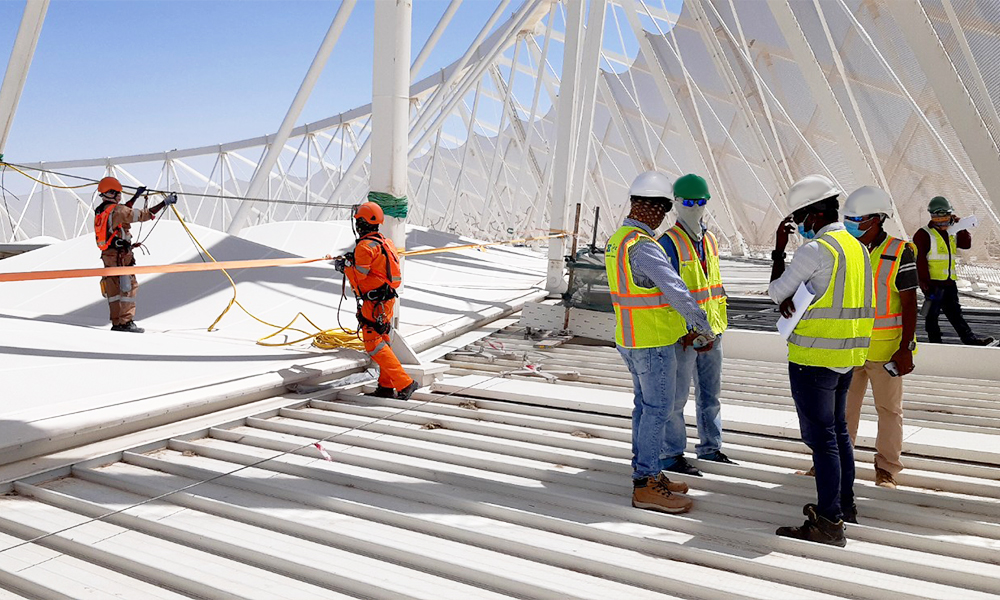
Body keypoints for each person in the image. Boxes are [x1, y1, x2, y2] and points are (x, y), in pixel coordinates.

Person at [768, 174, 874, 547]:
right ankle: (845, 506)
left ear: (814, 214)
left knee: (822, 439)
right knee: (839, 433)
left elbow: (776, 293)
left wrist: (779, 252)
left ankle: (829, 522)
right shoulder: (857, 247)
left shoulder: (814, 250)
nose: (798, 226)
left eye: (799, 218)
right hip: (848, 355)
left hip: (813, 356)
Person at [605, 171, 715, 515]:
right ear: (654, 208)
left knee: (644, 408)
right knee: (658, 411)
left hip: (630, 338)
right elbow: (675, 289)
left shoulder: (618, 240)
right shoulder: (642, 246)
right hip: (652, 343)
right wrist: (702, 327)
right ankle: (647, 483)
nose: (665, 216)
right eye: (665, 209)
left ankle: (647, 473)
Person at [658, 174, 734, 477]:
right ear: (675, 203)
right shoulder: (667, 243)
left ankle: (711, 448)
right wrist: (687, 330)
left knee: (710, 395)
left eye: (700, 202)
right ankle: (671, 454)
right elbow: (667, 294)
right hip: (685, 336)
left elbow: (712, 286)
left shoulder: (711, 240)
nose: (694, 208)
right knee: (676, 399)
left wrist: (714, 327)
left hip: (711, 331)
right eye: (688, 202)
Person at [842, 187, 917, 490]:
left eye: (855, 219)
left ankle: (886, 469)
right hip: (847, 348)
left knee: (889, 411)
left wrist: (906, 348)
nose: (849, 224)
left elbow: (910, 303)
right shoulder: (845, 249)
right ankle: (832, 464)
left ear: (875, 219)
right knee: (842, 411)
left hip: (885, 351)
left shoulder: (900, 252)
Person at [335, 201, 418, 400]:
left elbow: (359, 278)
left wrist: (344, 267)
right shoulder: (385, 242)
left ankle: (405, 383)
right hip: (387, 301)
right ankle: (386, 386)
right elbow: (378, 270)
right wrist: (351, 261)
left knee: (373, 344)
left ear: (362, 223)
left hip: (374, 304)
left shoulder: (365, 247)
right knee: (384, 341)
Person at [93, 176, 175, 333]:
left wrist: (136, 196)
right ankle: (126, 322)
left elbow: (124, 210)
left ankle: (117, 322)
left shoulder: (102, 210)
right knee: (128, 288)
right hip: (121, 256)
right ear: (111, 193)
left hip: (108, 255)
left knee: (113, 289)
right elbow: (145, 214)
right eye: (118, 193)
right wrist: (165, 203)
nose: (120, 196)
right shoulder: (118, 210)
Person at [913, 196, 995, 346]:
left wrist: (961, 227)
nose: (943, 225)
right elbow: (920, 260)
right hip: (933, 283)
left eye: (945, 220)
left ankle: (970, 340)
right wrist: (924, 282)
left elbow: (965, 244)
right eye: (939, 221)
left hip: (949, 282)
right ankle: (935, 342)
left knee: (955, 313)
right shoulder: (924, 234)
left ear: (951, 216)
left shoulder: (952, 231)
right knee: (932, 315)